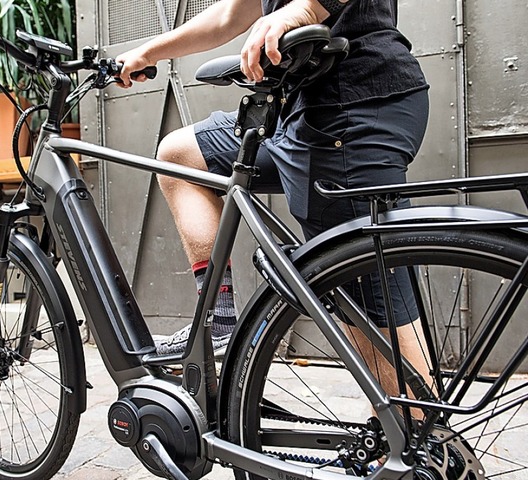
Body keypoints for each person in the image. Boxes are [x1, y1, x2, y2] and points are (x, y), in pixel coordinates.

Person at [116, 0, 430, 383]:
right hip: (298, 113)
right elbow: (231, 14)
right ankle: (219, 321)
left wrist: (306, 9)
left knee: (371, 307)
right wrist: (148, 52)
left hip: (349, 106)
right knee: (180, 156)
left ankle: (422, 435)